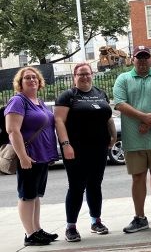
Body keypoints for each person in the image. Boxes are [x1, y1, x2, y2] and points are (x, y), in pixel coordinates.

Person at [113, 46, 151, 233]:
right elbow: (119, 103)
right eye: (138, 58)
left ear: (150, 60)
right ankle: (139, 218)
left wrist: (149, 122)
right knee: (138, 177)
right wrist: (143, 117)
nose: (142, 61)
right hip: (134, 139)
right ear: (133, 60)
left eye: (145, 57)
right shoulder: (123, 79)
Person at [54, 63, 117, 242]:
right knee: (76, 187)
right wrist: (66, 144)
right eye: (80, 74)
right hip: (76, 149)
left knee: (95, 185)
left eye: (87, 74)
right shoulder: (68, 96)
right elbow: (59, 121)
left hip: (98, 148)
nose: (84, 77)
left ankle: (96, 221)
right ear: (74, 76)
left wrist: (112, 136)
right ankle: (71, 226)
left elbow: (108, 117)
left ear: (92, 75)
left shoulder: (100, 93)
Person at [5, 67, 58, 246]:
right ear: (20, 83)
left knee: (35, 195)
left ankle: (37, 229)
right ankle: (29, 234)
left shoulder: (38, 101)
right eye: (27, 78)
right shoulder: (18, 101)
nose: (32, 80)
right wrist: (23, 157)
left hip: (42, 156)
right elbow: (12, 130)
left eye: (34, 77)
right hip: (29, 156)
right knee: (26, 196)